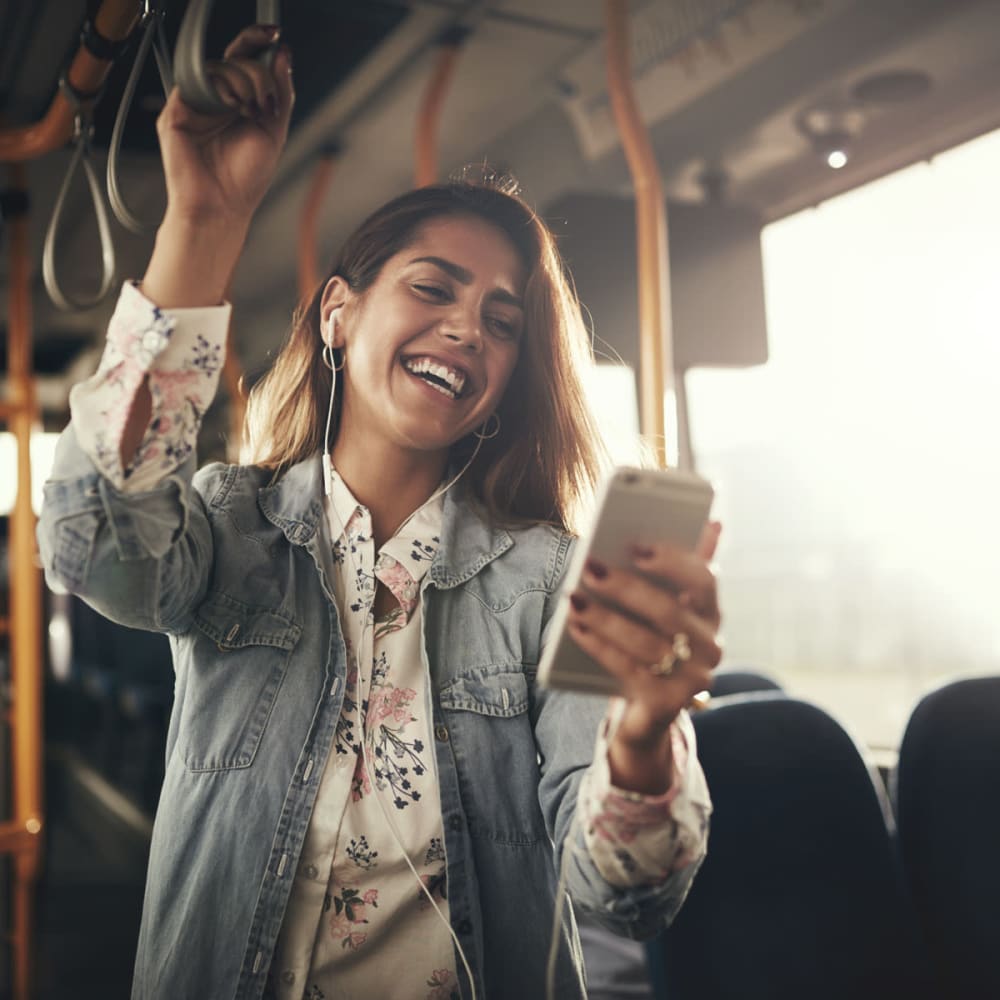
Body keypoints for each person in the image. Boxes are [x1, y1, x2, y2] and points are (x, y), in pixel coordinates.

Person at [38, 24, 721, 1000]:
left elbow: (622, 897)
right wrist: (205, 219)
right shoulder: (232, 527)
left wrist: (644, 739)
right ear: (337, 314)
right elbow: (88, 540)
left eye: (500, 319)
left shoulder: (546, 578)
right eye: (433, 288)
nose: (466, 328)